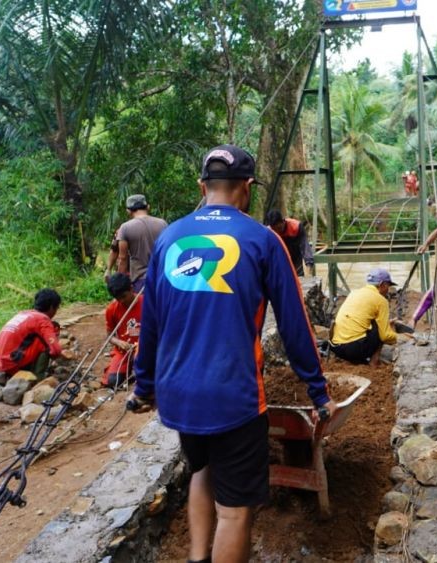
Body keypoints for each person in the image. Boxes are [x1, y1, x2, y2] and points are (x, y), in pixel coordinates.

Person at [128, 144, 336, 563]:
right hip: (234, 397)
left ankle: (196, 557)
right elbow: (295, 325)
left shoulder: (170, 238)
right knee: (236, 511)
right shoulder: (264, 240)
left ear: (202, 186)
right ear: (248, 188)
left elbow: (150, 321)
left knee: (203, 470)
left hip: (179, 394)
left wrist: (144, 385)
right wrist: (318, 391)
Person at [0, 288, 74, 378]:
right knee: (49, 339)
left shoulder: (23, 314)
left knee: (38, 337)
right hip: (13, 363)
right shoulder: (42, 320)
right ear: (52, 307)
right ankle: (38, 377)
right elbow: (55, 350)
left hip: (2, 362)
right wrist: (61, 355)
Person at [331, 268, 400, 366]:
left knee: (374, 323)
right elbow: (385, 336)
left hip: (336, 348)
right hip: (354, 350)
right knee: (380, 328)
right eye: (388, 286)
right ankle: (374, 361)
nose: (388, 290)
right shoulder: (381, 300)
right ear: (382, 285)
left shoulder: (354, 292)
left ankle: (355, 359)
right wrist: (401, 337)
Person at [116, 194, 168, 293]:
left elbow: (122, 259)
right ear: (148, 207)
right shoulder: (162, 224)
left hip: (139, 281)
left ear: (128, 211)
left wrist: (121, 286)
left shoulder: (125, 228)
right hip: (162, 278)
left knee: (143, 308)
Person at [101, 273, 141, 389]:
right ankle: (131, 373)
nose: (122, 301)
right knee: (113, 381)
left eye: (124, 296)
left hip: (146, 348)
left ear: (131, 289)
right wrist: (119, 343)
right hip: (125, 350)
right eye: (118, 298)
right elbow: (110, 335)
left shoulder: (147, 302)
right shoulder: (112, 309)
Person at [264, 209, 314, 276]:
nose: (277, 232)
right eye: (274, 229)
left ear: (283, 221)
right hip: (280, 261)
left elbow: (305, 246)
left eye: (279, 228)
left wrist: (309, 263)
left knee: (298, 280)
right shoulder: (268, 231)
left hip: (296, 260)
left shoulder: (296, 226)